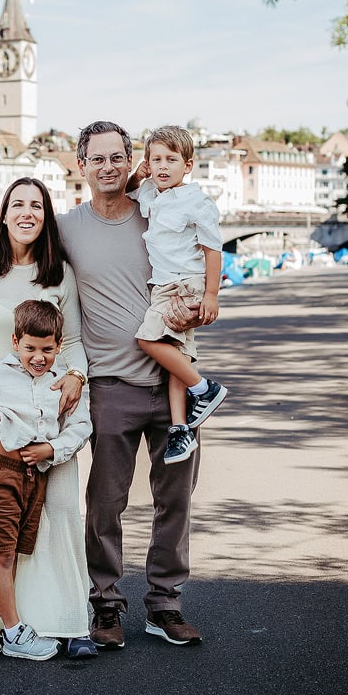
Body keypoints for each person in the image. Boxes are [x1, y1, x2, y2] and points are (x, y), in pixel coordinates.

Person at [59, 120, 210, 655]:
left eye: (116, 157)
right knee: (105, 503)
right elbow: (22, 273)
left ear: (131, 162)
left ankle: (165, 603)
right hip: (111, 385)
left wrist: (207, 303)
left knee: (177, 499)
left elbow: (202, 257)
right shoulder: (65, 228)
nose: (107, 167)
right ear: (82, 165)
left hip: (173, 382)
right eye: (96, 158)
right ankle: (105, 602)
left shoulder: (158, 209)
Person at [0, 177, 90, 662]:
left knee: (56, 511)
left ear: (46, 216)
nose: (27, 212)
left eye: (37, 205)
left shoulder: (60, 274)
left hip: (47, 412)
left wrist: (76, 377)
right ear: (4, 212)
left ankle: (64, 618)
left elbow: (72, 341)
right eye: (18, 204)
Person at [0, 299, 93, 663]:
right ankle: (15, 630)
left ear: (59, 346)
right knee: (0, 553)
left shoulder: (62, 383)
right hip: (0, 473)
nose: (39, 357)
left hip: (34, 478)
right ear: (15, 341)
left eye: (47, 349)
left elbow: (82, 427)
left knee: (12, 551)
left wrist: (51, 449)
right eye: (30, 348)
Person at [121, 126, 229, 465]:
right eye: (156, 160)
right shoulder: (152, 192)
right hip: (164, 286)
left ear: (189, 164)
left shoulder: (197, 202)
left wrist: (211, 295)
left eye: (171, 160)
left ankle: (204, 389)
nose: (163, 166)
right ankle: (180, 430)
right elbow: (128, 192)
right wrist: (137, 175)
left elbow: (213, 250)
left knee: (148, 341)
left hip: (184, 285)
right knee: (176, 359)